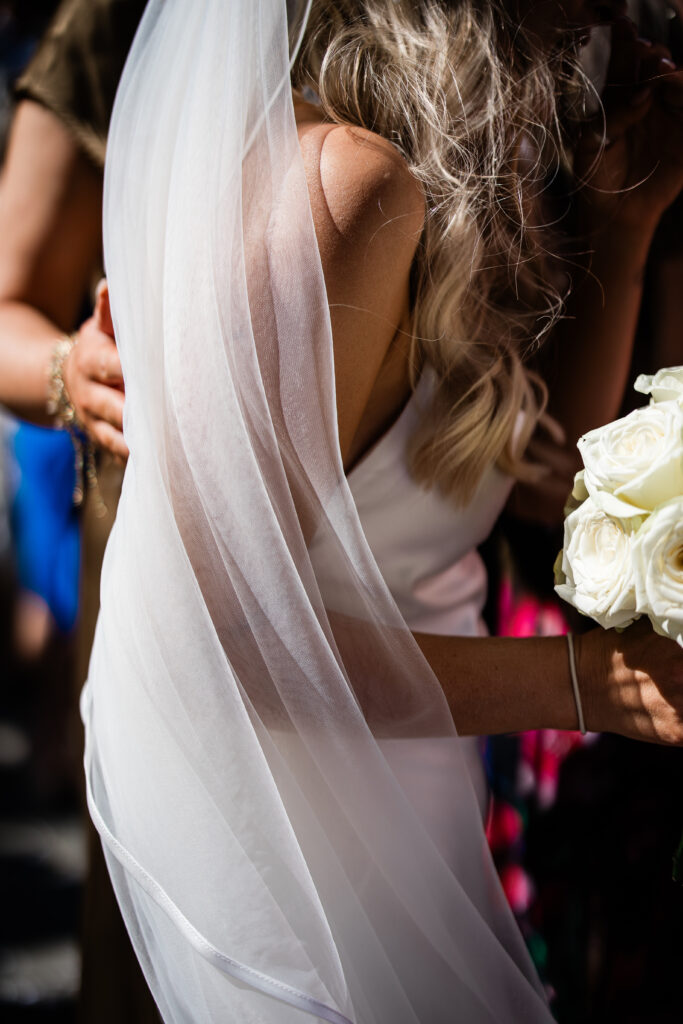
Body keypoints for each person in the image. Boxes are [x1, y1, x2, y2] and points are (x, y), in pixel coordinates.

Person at [85, 0, 683, 1020]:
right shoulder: (341, 187)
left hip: (413, 809)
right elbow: (217, 643)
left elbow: (551, 475)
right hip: (303, 851)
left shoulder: (469, 167)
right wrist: (585, 682)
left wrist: (622, 225)